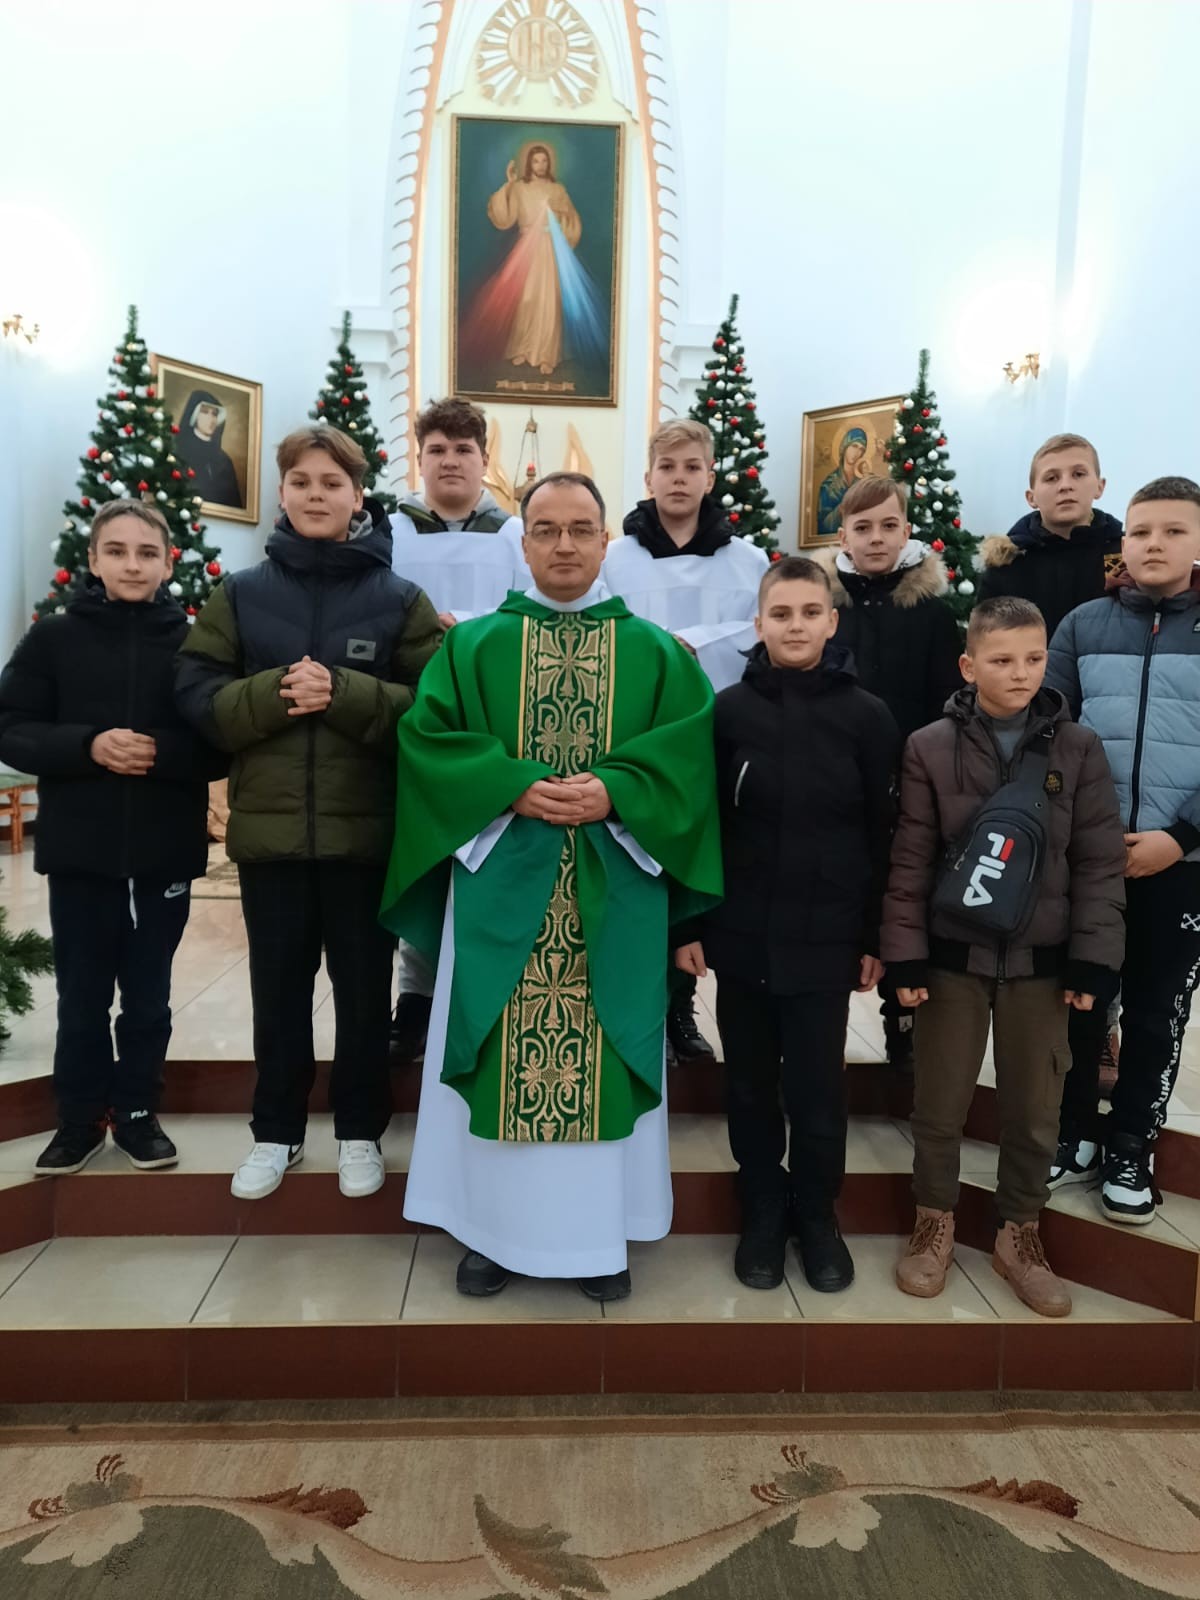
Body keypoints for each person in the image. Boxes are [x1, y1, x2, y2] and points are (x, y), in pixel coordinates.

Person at [380, 470, 721, 1303]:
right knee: (498, 1043)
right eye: (545, 530)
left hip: (618, 889)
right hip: (500, 885)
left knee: (607, 1044)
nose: (563, 545)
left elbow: (687, 757)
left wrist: (619, 790)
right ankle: (491, 1233)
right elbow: (428, 744)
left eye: (579, 530)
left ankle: (598, 1239)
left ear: (605, 541)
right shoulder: (472, 647)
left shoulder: (654, 652)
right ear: (523, 542)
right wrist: (509, 784)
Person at [175, 426, 441, 1202]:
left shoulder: (398, 599)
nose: (316, 495)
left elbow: (435, 708)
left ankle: (359, 1130)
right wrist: (273, 693)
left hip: (366, 836)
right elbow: (195, 694)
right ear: (283, 493)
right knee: (279, 992)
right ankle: (276, 1132)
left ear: (358, 496)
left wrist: (345, 692)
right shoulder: (240, 594)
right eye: (301, 482)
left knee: (363, 994)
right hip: (273, 836)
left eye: (332, 483)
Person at [883, 596, 1126, 1316]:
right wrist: (904, 957)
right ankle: (933, 1222)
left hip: (1042, 965)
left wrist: (1094, 961)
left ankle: (1019, 1231)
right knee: (940, 1102)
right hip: (952, 961)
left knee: (1034, 1110)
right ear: (969, 665)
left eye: (1033, 658)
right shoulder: (929, 746)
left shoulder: (1078, 749)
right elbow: (910, 860)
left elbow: (1099, 862)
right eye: (1001, 659)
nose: (1020, 673)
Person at [674, 556, 899, 1293]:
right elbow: (699, 825)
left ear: (831, 621)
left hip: (826, 938)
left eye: (809, 613)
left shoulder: (867, 717)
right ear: (759, 623)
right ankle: (763, 1206)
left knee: (816, 1089)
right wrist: (689, 924)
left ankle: (817, 1214)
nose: (795, 626)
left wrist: (873, 936)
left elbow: (884, 833)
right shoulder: (727, 713)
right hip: (742, 938)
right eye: (780, 614)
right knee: (748, 1085)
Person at [0, 500, 224, 1175]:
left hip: (163, 850)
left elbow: (223, 739)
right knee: (82, 997)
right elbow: (12, 727)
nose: (132, 564)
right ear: (93, 560)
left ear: (168, 563)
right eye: (117, 551)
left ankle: (136, 1112)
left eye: (147, 552)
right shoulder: (53, 639)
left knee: (149, 996)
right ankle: (77, 1120)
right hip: (81, 853)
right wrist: (88, 745)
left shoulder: (196, 643)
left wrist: (162, 752)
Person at [1044, 476, 1200, 1222]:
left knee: (1155, 1011)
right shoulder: (1082, 624)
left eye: (1173, 531)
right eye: (1140, 531)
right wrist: (1085, 833)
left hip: (1182, 864)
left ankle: (1133, 1142)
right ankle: (1073, 1130)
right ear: (1122, 542)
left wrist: (1180, 838)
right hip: (1091, 859)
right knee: (1079, 1001)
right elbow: (1051, 734)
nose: (1153, 544)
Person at [603, 418, 768, 1064]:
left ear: (709, 476)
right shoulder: (616, 559)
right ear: (648, 477)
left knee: (692, 871)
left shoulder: (746, 560)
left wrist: (693, 644)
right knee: (639, 869)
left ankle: (680, 1007)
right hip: (636, 739)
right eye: (667, 467)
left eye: (691, 467)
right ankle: (636, 1005)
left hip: (714, 734)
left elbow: (758, 632)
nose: (679, 478)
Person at [388, 396, 529, 1063]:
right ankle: (414, 999)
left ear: (483, 459)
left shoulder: (514, 534)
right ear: (419, 460)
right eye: (437, 450)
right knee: (422, 855)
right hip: (411, 715)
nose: (450, 461)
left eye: (463, 450)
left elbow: (531, 612)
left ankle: (483, 994)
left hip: (489, 721)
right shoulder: (390, 531)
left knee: (482, 859)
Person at [812, 475, 962, 1072]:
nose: (876, 538)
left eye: (888, 525)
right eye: (863, 526)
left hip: (910, 780)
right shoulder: (825, 608)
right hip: (834, 781)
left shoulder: (931, 614)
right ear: (842, 536)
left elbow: (948, 703)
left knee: (904, 897)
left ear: (907, 532)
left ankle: (903, 1022)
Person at [977, 433, 1123, 640]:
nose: (1065, 486)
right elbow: (988, 641)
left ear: (1100, 486)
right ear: (1031, 497)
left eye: (1078, 474)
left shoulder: (1124, 554)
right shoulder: (1007, 564)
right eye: (1051, 478)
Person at [175, 388, 242, 509]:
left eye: (214, 414)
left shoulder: (225, 461)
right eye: (205, 412)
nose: (211, 419)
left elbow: (233, 506)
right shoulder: (179, 452)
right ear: (194, 415)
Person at [817, 427, 868, 537]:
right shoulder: (828, 485)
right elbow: (823, 526)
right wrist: (840, 510)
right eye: (854, 446)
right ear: (845, 446)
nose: (857, 452)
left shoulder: (864, 482)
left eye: (861, 449)